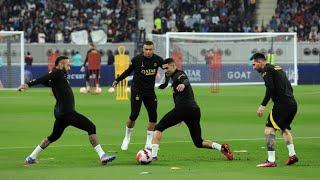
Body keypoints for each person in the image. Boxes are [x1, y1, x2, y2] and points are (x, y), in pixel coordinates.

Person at [18, 56, 115, 165]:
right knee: (91, 127)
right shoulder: (58, 72)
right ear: (61, 64)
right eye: (68, 64)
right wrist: (28, 84)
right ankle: (102, 155)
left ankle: (31, 157)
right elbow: (44, 77)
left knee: (53, 136)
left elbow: (46, 81)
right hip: (67, 112)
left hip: (60, 113)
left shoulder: (60, 76)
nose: (70, 66)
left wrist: (41, 82)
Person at [151, 58, 233, 161]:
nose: (165, 70)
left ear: (173, 65)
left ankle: (153, 156)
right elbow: (173, 82)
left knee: (158, 127)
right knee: (198, 142)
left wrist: (182, 84)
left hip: (183, 109)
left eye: (167, 68)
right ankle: (221, 148)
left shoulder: (179, 74)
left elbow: (185, 80)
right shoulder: (172, 76)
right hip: (194, 111)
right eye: (163, 69)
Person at [112, 41, 165, 150]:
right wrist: (118, 80)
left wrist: (166, 81)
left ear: (153, 49)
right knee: (134, 114)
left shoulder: (158, 60)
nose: (148, 52)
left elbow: (167, 69)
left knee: (153, 116)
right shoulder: (136, 60)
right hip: (137, 90)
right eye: (146, 49)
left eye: (150, 49)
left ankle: (148, 143)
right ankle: (127, 137)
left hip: (150, 91)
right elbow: (128, 71)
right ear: (143, 49)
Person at [251, 53, 298, 167]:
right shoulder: (277, 67)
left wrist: (263, 105)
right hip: (292, 103)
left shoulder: (266, 70)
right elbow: (289, 86)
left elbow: (270, 88)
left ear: (260, 62)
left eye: (254, 64)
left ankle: (271, 161)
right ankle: (292, 155)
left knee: (269, 129)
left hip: (282, 104)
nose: (253, 67)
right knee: (283, 129)